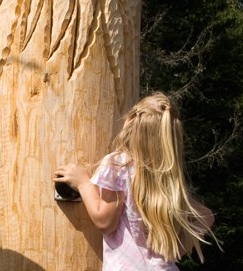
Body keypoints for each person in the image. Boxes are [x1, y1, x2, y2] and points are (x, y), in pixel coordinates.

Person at [54, 92, 217, 271]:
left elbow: (105, 222)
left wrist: (83, 183)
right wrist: (170, 252)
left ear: (131, 123)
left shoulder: (118, 165)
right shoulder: (164, 179)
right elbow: (205, 216)